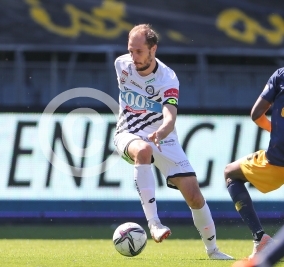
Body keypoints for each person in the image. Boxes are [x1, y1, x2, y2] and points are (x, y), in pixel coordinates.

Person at [112, 24, 233, 260]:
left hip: (163, 136)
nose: (133, 57)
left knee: (194, 195)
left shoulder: (168, 78)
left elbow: (169, 114)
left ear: (153, 49)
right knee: (144, 150)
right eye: (130, 50)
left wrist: (165, 129)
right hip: (127, 133)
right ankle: (154, 223)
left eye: (139, 51)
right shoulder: (121, 64)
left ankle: (213, 250)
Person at [225, 67, 284, 259]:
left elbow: (256, 114)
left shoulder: (281, 75)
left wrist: (273, 130)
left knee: (230, 173)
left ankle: (260, 238)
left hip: (277, 161)